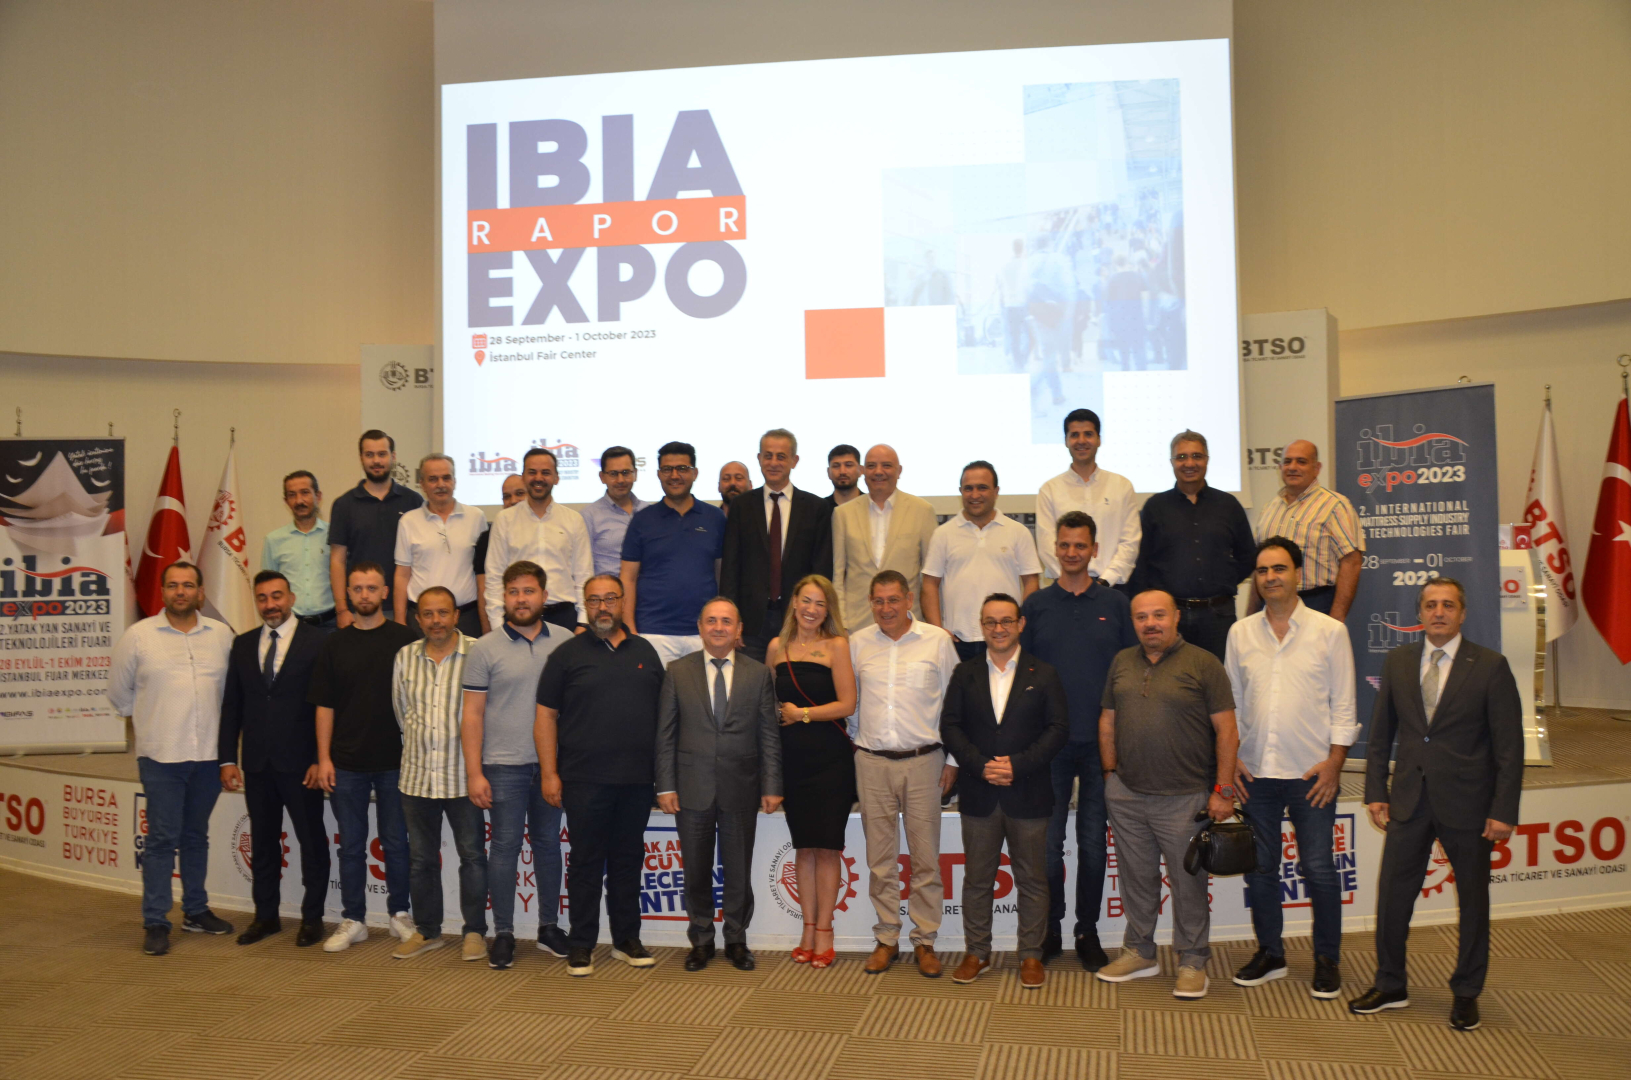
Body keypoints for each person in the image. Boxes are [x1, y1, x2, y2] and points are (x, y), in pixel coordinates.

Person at [1350, 578, 1522, 1032]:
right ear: (1420, 614)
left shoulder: (1490, 666)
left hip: (1470, 804)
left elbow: (1510, 748)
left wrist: (1503, 810)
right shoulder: (1399, 661)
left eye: (1448, 605)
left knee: (1473, 903)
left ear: (1462, 613)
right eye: (1430, 605)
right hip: (1408, 801)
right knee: (1392, 898)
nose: (1439, 612)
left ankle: (1466, 992)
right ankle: (1390, 984)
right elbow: (1380, 733)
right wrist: (1376, 791)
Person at [1226, 537, 1357, 999]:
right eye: (1262, 571)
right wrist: (1232, 759)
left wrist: (1335, 763)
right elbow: (1232, 704)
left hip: (1311, 775)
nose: (1270, 578)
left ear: (1299, 574)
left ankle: (1327, 959)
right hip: (1256, 772)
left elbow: (1345, 705)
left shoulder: (1330, 632)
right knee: (1261, 869)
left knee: (1319, 869)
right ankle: (1271, 953)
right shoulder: (1240, 633)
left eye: (1279, 568)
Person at [1096, 590, 1239, 999]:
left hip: (1184, 798)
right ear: (1133, 622)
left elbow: (1227, 730)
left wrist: (1223, 790)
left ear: (1176, 616)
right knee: (1136, 880)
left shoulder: (1203, 663)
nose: (1150, 623)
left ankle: (1193, 960)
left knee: (1187, 883)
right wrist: (1110, 776)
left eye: (1159, 615)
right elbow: (1107, 721)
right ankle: (1140, 952)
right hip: (1127, 795)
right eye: (1141, 617)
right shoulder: (1122, 662)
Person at [1020, 511, 1135, 971]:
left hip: (1101, 745)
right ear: (1055, 549)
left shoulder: (1116, 604)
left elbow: (1130, 671)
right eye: (1064, 545)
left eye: (1080, 545)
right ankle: (1050, 928)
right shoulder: (1035, 606)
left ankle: (1087, 930)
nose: (1071, 553)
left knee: (1092, 842)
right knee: (1047, 845)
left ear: (1094, 550)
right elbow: (1023, 675)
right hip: (1048, 746)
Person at [535, 575, 666, 977]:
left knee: (628, 861)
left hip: (637, 780)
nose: (603, 607)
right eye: (594, 600)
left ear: (623, 602)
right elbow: (545, 717)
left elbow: (664, 718)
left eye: (610, 599)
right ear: (585, 606)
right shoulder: (566, 654)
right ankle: (581, 943)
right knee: (586, 863)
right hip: (583, 780)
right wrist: (549, 773)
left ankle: (626, 940)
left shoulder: (646, 652)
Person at [941, 594, 1069, 990]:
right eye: (990, 622)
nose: (998, 629)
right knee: (977, 879)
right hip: (979, 793)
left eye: (1006, 621)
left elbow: (1057, 730)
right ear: (981, 626)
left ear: (1020, 624)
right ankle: (977, 953)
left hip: (1028, 793)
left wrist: (1017, 765)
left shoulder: (1043, 673)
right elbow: (950, 727)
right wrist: (980, 765)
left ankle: (1030, 955)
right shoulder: (965, 673)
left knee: (1032, 879)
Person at [109, 561, 235, 955]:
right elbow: (119, 695)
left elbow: (232, 695)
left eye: (188, 585)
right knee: (162, 839)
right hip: (161, 756)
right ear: (163, 591)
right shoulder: (138, 636)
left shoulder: (222, 636)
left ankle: (196, 910)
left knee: (196, 836)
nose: (181, 592)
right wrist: (152, 721)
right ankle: (156, 920)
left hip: (208, 757)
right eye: (173, 585)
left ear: (200, 592)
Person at [655, 598, 783, 972]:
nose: (718, 627)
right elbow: (665, 733)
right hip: (690, 788)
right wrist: (665, 785)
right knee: (695, 870)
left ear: (739, 629)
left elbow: (768, 734)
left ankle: (736, 940)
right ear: (700, 627)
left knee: (738, 870)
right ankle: (701, 940)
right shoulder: (677, 671)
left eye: (726, 621)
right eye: (711, 620)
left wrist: (772, 784)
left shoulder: (758, 674)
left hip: (741, 787)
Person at [850, 570, 960, 978]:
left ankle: (925, 940)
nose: (886, 608)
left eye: (893, 599)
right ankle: (887, 938)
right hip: (872, 762)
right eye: (878, 601)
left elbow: (955, 704)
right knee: (880, 860)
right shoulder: (857, 643)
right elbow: (852, 702)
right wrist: (859, 743)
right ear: (870, 603)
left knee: (926, 858)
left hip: (924, 761)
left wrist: (953, 761)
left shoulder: (937, 641)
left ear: (909, 599)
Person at [461, 560, 569, 969]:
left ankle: (548, 928)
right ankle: (503, 933)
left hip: (551, 767)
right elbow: (472, 715)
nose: (521, 599)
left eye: (528, 591)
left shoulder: (565, 642)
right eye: (513, 592)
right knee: (505, 848)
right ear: (503, 598)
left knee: (548, 845)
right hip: (503, 766)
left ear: (544, 596)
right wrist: (474, 772)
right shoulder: (484, 648)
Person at [308, 561, 418, 952]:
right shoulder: (334, 644)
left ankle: (399, 914)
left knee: (396, 843)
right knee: (351, 846)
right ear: (348, 594)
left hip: (396, 763)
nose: (365, 595)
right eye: (357, 588)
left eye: (372, 588)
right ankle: (354, 919)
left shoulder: (406, 640)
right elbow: (324, 706)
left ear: (385, 592)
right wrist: (324, 758)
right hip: (347, 763)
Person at [218, 570, 330, 948]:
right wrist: (226, 759)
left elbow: (327, 705)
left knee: (312, 843)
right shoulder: (243, 644)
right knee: (263, 844)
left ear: (291, 598)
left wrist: (319, 758)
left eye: (277, 596)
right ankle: (265, 917)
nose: (271, 605)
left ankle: (312, 919)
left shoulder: (318, 642)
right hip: (257, 764)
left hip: (302, 765)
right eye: (263, 598)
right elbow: (232, 705)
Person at [390, 586, 487, 961]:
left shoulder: (479, 652)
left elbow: (486, 713)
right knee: (421, 861)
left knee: (472, 857)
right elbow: (402, 714)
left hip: (464, 776)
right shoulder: (405, 656)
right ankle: (428, 931)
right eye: (428, 614)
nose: (436, 621)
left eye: (443, 612)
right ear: (418, 619)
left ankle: (474, 932)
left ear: (456, 615)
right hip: (417, 777)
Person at [765, 574, 857, 968]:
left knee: (828, 847)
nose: (811, 609)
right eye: (806, 600)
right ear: (794, 602)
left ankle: (825, 930)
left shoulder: (837, 645)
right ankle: (806, 929)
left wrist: (802, 713)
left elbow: (848, 704)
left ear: (828, 609)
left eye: (820, 603)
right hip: (792, 760)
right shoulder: (776, 647)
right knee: (803, 847)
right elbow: (768, 704)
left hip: (831, 760)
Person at [1131, 430, 1255, 660]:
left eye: (1197, 456)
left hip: (1218, 615)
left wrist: (1222, 580)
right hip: (1170, 617)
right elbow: (1142, 563)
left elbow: (1247, 556)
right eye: (1181, 457)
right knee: (1170, 678)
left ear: (1207, 460)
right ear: (1172, 462)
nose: (1189, 463)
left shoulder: (1228, 505)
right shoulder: (1155, 507)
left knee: (1218, 677)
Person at [720, 428, 833, 661]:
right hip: (750, 624)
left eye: (781, 456)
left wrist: (817, 618)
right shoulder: (741, 506)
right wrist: (731, 619)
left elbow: (821, 571)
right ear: (759, 459)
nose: (773, 463)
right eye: (768, 456)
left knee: (792, 681)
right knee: (750, 682)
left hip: (798, 620)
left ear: (794, 461)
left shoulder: (816, 508)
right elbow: (731, 568)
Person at [621, 441, 727, 667]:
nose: (675, 475)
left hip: (705, 631)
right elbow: (627, 578)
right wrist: (630, 629)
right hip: (653, 632)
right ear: (659, 474)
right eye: (667, 469)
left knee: (704, 692)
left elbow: (722, 575)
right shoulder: (642, 520)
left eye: (682, 469)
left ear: (695, 473)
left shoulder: (715, 518)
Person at [922, 461, 1041, 662]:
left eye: (982, 488)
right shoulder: (943, 534)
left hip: (1004, 638)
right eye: (968, 488)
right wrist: (938, 631)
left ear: (996, 491)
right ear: (960, 492)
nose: (975, 495)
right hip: (957, 642)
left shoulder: (1018, 532)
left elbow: (1031, 582)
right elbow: (929, 585)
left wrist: (1019, 627)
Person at [830, 443, 938, 633]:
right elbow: (838, 576)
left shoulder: (922, 511)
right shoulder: (842, 514)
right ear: (863, 471)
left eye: (886, 465)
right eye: (871, 466)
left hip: (908, 624)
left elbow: (930, 577)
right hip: (857, 625)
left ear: (899, 471)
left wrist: (933, 624)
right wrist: (842, 624)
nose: (878, 472)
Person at [484, 447, 593, 633]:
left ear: (556, 478)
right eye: (532, 472)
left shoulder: (574, 520)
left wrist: (583, 623)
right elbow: (494, 577)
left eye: (546, 473)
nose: (539, 478)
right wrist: (497, 625)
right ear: (523, 477)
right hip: (518, 616)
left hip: (563, 617)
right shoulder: (504, 520)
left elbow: (584, 576)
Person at [1251, 441, 1364, 620]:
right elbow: (1258, 566)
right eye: (1287, 462)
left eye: (1301, 462)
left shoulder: (1335, 505)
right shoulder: (1269, 509)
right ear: (1280, 467)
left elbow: (1352, 562)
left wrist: (1336, 619)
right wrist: (1251, 614)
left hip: (1316, 603)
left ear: (1317, 468)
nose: (1292, 467)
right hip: (1271, 604)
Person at [328, 430, 423, 628]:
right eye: (369, 455)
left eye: (382, 454)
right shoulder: (344, 504)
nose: (376, 461)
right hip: (359, 608)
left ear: (393, 456)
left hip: (407, 608)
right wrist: (342, 609)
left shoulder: (413, 501)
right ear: (361, 458)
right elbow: (337, 560)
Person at [1036, 409, 1141, 588]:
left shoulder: (1122, 486)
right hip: (1065, 588)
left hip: (1111, 586)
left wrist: (1105, 581)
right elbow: (1047, 546)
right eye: (1075, 435)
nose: (1082, 441)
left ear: (1099, 439)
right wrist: (1072, 582)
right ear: (1066, 441)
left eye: (1088, 434)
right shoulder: (1050, 490)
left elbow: (1130, 542)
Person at [393, 454, 487, 638]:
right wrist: (399, 620)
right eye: (433, 479)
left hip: (466, 617)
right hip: (422, 619)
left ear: (455, 481)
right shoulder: (408, 521)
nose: (441, 484)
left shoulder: (476, 517)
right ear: (422, 484)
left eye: (446, 478)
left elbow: (483, 574)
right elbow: (402, 575)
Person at [261, 470, 335, 629]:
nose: (299, 500)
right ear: (286, 501)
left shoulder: (334, 535)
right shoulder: (273, 540)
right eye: (292, 495)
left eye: (305, 493)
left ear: (318, 496)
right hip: (291, 626)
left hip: (331, 623)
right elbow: (268, 588)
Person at [580, 446, 650, 576]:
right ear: (602, 477)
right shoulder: (589, 516)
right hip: (609, 587)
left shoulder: (649, 512)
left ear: (635, 474)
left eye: (625, 472)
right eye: (613, 474)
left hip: (648, 586)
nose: (620, 480)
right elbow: (583, 566)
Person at [474, 474, 528, 633]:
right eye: (506, 496)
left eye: (519, 494)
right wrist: (489, 633)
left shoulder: (545, 532)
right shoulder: (487, 538)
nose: (513, 501)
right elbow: (484, 589)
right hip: (503, 619)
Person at [997, 238, 1030, 371]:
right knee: (1029, 335)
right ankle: (1023, 359)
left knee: (1014, 337)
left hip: (1009, 306)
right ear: (1023, 249)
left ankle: (1018, 363)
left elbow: (1001, 286)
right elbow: (1028, 286)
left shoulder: (1004, 266)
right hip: (1023, 305)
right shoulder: (1026, 265)